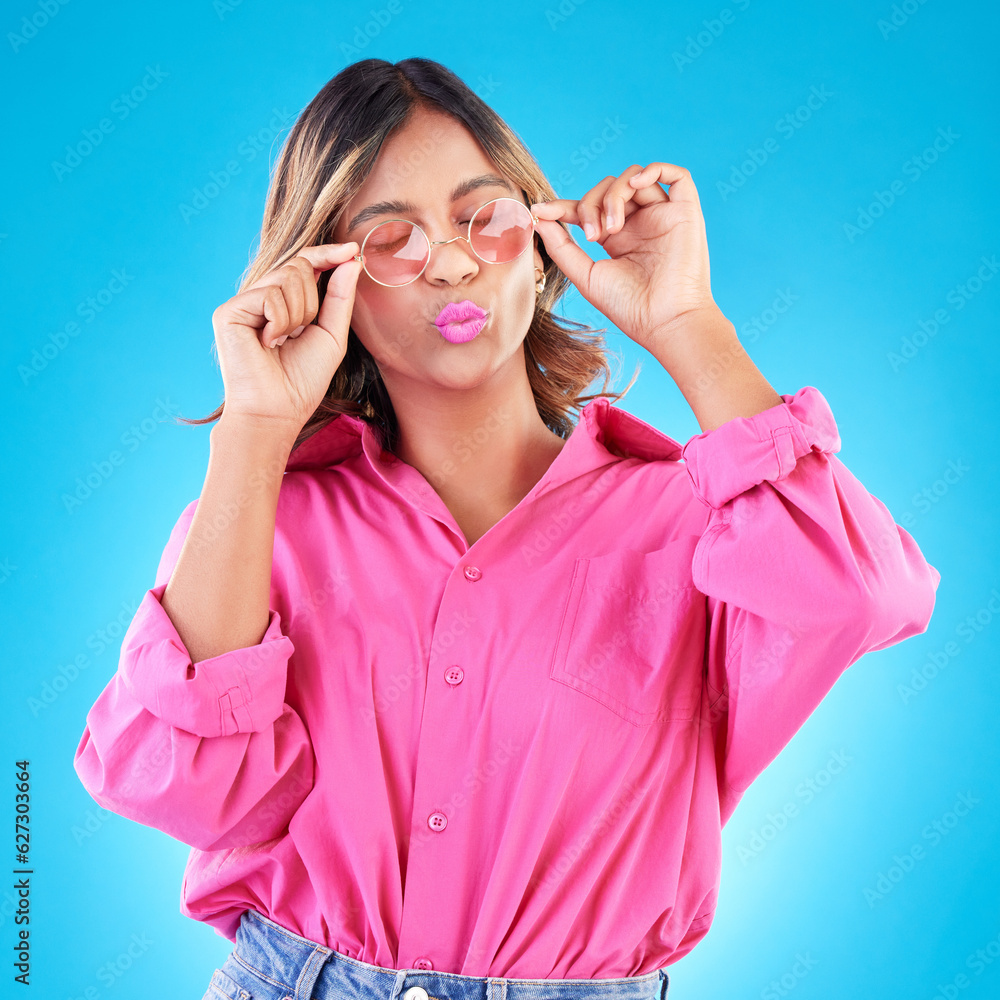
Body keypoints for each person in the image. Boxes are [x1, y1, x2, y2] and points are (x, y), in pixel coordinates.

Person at [73, 57, 941, 1000]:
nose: (449, 261)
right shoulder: (266, 527)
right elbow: (184, 790)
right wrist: (253, 430)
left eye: (482, 218)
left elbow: (863, 595)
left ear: (540, 238)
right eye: (389, 240)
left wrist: (686, 319)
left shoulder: (696, 522)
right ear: (331, 284)